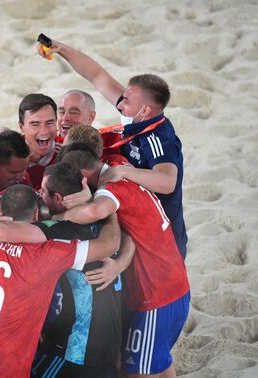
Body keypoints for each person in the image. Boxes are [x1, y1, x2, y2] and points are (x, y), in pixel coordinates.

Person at [0, 162, 132, 377]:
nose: (40, 195)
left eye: (42, 191)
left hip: (76, 352)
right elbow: (122, 240)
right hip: (111, 342)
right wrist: (110, 217)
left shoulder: (51, 238)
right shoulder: (109, 223)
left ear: (58, 198)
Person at [39, 39, 188, 259]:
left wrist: (124, 171)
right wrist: (61, 49)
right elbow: (97, 76)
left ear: (145, 110)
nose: (120, 103)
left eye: (126, 100)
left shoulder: (158, 138)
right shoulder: (135, 115)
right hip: (133, 224)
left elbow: (167, 182)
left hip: (160, 238)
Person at [55, 148, 190, 377]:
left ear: (84, 176)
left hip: (155, 297)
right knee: (158, 362)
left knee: (135, 372)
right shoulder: (118, 166)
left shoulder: (110, 191)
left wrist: (53, 217)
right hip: (174, 286)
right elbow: (132, 230)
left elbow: (97, 210)